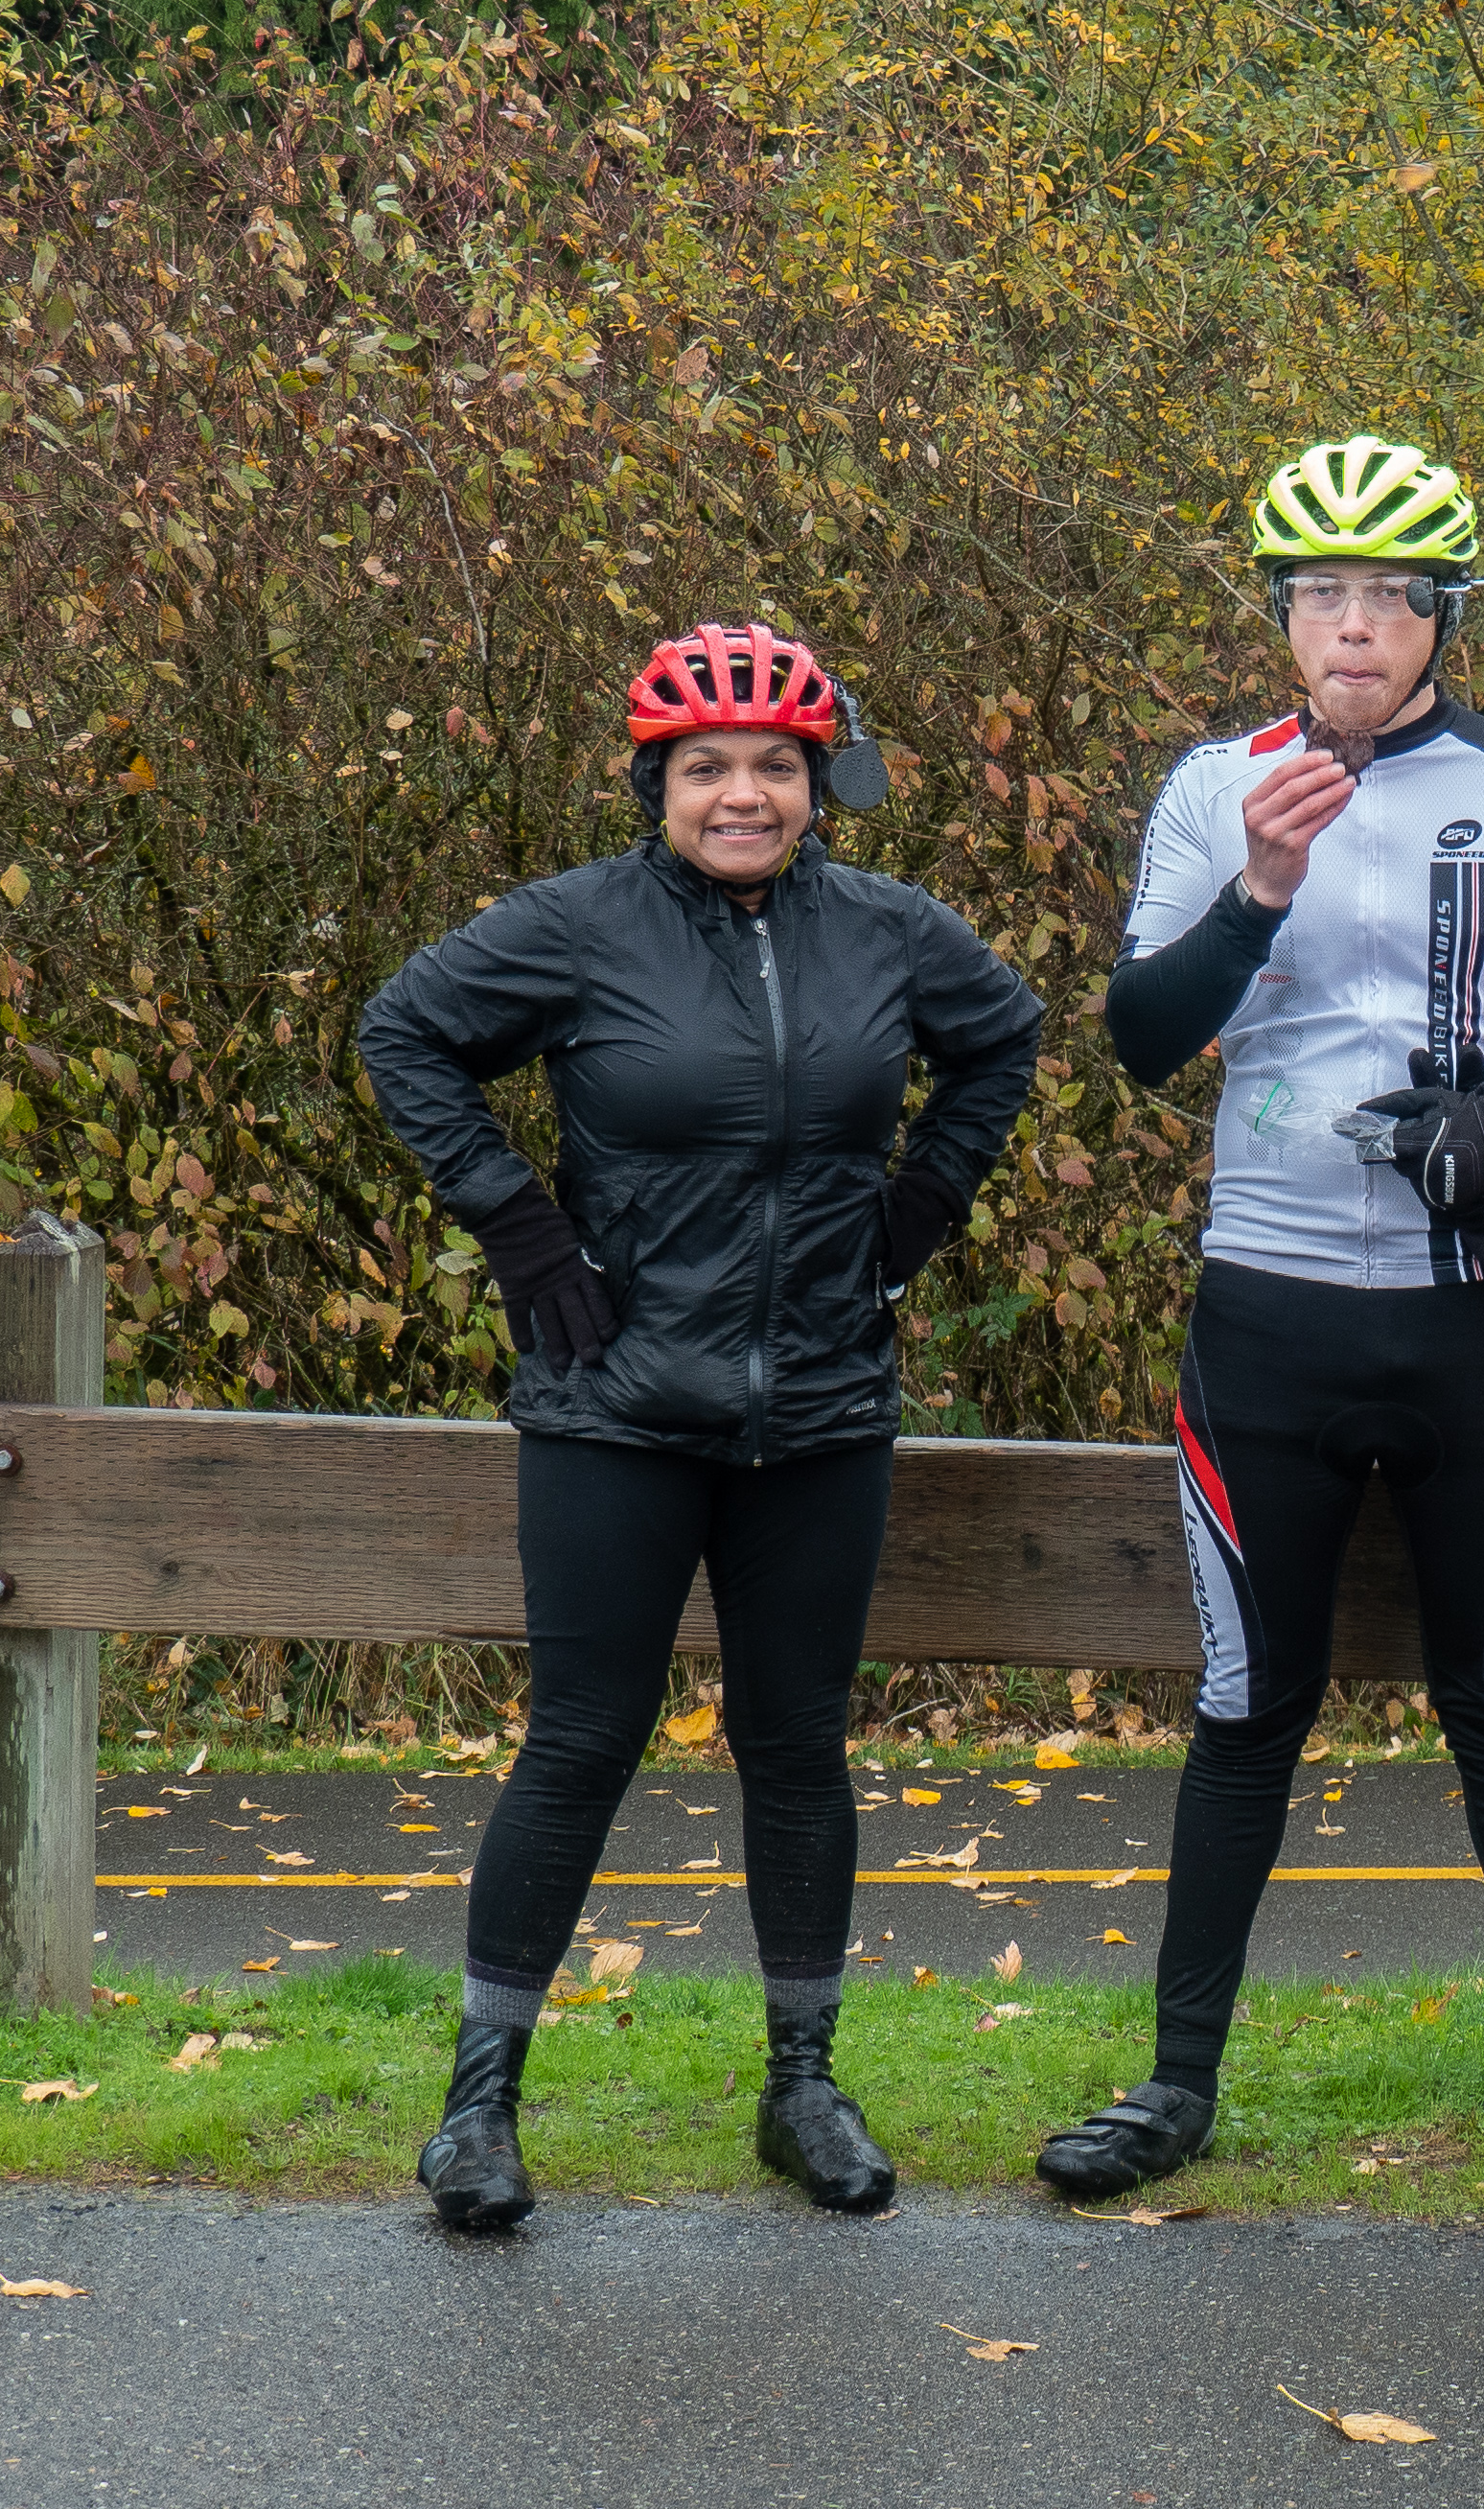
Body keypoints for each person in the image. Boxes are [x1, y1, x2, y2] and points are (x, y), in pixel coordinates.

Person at [1032, 435, 1484, 2204]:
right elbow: (1139, 1038)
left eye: (1393, 596)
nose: (1353, 628)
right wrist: (1254, 890)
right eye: (1319, 593)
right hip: (1272, 1307)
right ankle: (1175, 2085)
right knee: (1248, 1704)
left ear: (1442, 615)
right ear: (1280, 614)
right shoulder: (1211, 784)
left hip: (1483, 1318)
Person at [360, 622, 1044, 2228]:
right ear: (657, 782)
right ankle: (477, 2112)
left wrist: (920, 1209)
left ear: (820, 781)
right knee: (581, 1742)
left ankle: (802, 2086)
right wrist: (521, 1233)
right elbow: (404, 1036)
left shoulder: (885, 932)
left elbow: (1003, 1038)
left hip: (818, 1410)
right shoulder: (579, 928)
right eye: (708, 768)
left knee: (797, 1747)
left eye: (777, 767)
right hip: (615, 1410)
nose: (744, 794)